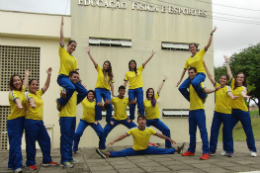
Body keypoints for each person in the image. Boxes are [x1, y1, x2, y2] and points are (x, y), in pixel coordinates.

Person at [96, 115, 185, 158]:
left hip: (147, 149)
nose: (142, 121)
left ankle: (177, 149)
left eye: (143, 120)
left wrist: (168, 138)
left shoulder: (149, 130)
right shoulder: (133, 130)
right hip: (135, 150)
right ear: (138, 122)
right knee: (121, 153)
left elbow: (160, 135)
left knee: (162, 150)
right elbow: (124, 135)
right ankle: (105, 153)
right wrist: (114, 141)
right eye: (140, 120)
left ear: (145, 122)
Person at [179, 67, 219, 160]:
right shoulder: (189, 84)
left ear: (196, 73)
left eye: (192, 72)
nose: (190, 74)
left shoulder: (199, 82)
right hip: (192, 110)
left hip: (199, 110)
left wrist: (214, 90)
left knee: (203, 132)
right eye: (189, 73)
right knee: (192, 132)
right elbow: (182, 89)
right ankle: (191, 150)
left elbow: (205, 90)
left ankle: (206, 152)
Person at [24, 68, 58, 170]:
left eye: (36, 84)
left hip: (39, 122)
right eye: (33, 84)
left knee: (46, 140)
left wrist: (49, 75)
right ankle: (30, 162)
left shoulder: (38, 94)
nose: (35, 86)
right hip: (30, 122)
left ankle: (47, 160)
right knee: (31, 143)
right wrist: (32, 103)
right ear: (29, 86)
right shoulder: (27, 95)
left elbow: (46, 86)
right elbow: (30, 100)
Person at [203, 61, 238, 157]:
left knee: (227, 132)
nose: (222, 80)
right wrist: (205, 66)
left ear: (226, 81)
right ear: (219, 79)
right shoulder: (217, 86)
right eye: (221, 78)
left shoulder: (227, 88)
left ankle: (230, 151)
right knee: (214, 131)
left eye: (224, 79)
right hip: (217, 113)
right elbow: (210, 77)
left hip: (226, 114)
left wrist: (232, 97)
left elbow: (229, 93)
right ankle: (212, 150)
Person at [225, 56, 257, 157]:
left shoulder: (243, 87)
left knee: (248, 131)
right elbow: (229, 74)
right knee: (228, 129)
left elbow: (243, 93)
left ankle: (253, 150)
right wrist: (227, 63)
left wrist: (245, 96)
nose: (239, 78)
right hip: (233, 112)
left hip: (243, 112)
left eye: (241, 77)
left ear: (243, 80)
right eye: (238, 77)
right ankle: (229, 150)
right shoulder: (233, 83)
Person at [177, 27, 217, 102]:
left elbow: (208, 45)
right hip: (192, 76)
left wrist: (211, 34)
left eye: (193, 47)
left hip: (200, 74)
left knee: (195, 83)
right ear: (189, 49)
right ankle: (191, 99)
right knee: (181, 88)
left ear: (196, 48)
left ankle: (203, 96)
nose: (192, 48)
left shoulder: (200, 54)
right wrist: (180, 80)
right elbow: (184, 70)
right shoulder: (188, 59)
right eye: (190, 47)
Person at [56, 16, 88, 111]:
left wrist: (81, 82)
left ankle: (73, 104)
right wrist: (62, 25)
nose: (73, 47)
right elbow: (61, 38)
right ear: (68, 45)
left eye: (75, 46)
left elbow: (77, 72)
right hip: (63, 77)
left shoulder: (74, 59)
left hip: (73, 79)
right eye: (72, 45)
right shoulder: (63, 52)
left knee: (84, 91)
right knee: (71, 87)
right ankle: (60, 102)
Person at [7, 70, 30, 173]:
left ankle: (11, 164)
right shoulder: (12, 93)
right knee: (16, 143)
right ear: (12, 83)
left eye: (18, 80)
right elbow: (17, 100)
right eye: (15, 81)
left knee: (14, 143)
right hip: (14, 121)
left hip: (21, 120)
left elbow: (24, 84)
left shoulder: (21, 91)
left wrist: (26, 76)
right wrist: (19, 105)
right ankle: (17, 166)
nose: (17, 82)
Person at [86, 46, 115, 124]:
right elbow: (94, 62)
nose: (106, 66)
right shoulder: (99, 70)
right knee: (98, 103)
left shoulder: (110, 75)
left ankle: (109, 120)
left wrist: (113, 93)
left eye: (107, 65)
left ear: (109, 67)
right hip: (98, 90)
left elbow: (112, 84)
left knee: (109, 105)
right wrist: (89, 53)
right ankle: (97, 119)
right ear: (103, 65)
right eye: (105, 64)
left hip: (106, 91)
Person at [124, 51, 155, 119]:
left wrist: (151, 55)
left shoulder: (139, 69)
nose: (132, 64)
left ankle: (142, 118)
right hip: (131, 90)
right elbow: (125, 82)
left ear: (135, 64)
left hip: (139, 89)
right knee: (132, 104)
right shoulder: (127, 73)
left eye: (133, 63)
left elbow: (145, 62)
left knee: (140, 105)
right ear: (129, 65)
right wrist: (123, 90)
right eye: (131, 64)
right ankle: (131, 118)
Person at [143, 76, 172, 148]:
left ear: (153, 93)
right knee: (142, 132)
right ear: (147, 93)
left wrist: (163, 81)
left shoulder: (155, 98)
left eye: (151, 92)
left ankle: (168, 146)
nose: (150, 93)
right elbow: (140, 111)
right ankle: (143, 146)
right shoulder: (144, 102)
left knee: (167, 130)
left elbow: (159, 89)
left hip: (156, 120)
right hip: (147, 120)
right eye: (149, 92)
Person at [59, 71, 81, 168]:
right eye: (74, 77)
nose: (76, 79)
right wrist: (63, 95)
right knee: (65, 138)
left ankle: (69, 157)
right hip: (65, 116)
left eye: (77, 77)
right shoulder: (66, 86)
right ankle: (64, 160)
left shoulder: (75, 88)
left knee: (70, 137)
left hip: (72, 116)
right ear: (69, 77)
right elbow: (62, 93)